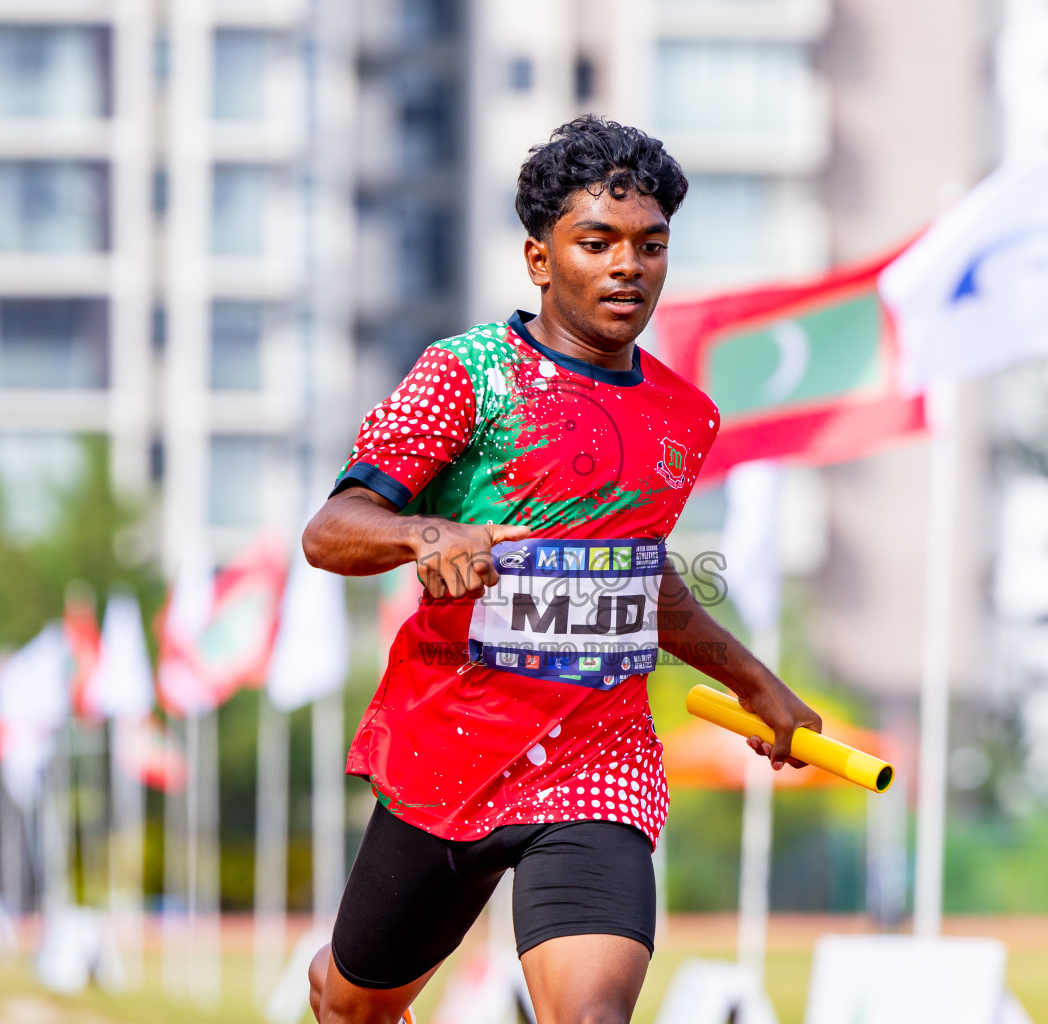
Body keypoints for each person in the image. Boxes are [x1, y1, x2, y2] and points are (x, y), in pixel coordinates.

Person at [302, 115, 822, 1024]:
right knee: (352, 1007)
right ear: (541, 259)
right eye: (599, 243)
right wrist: (428, 538)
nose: (629, 266)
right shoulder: (469, 375)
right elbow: (332, 529)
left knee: (590, 1017)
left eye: (650, 246)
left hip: (596, 760)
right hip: (448, 750)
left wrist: (759, 686)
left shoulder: (682, 417)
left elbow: (641, 581)